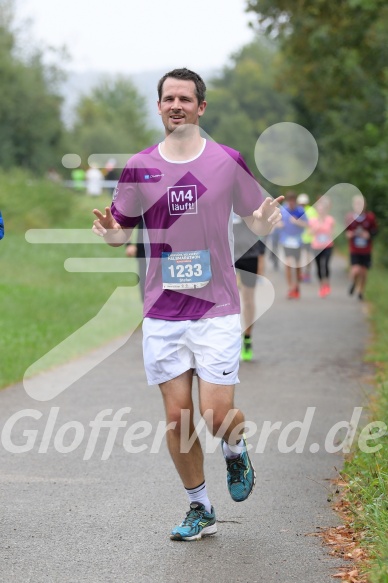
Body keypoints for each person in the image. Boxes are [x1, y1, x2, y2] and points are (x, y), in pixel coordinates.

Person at [92, 68, 283, 541]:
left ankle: (235, 451)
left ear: (201, 107)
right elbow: (121, 231)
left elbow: (254, 218)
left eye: (185, 98)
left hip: (217, 307)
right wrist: (112, 233)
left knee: (217, 415)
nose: (176, 105)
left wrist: (264, 220)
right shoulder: (139, 166)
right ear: (158, 107)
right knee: (178, 418)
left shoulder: (226, 160)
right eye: (168, 98)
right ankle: (200, 507)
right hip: (162, 311)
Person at [233, 213, 264, 361]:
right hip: (227, 254)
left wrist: (262, 256)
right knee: (223, 299)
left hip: (249, 255)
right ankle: (226, 340)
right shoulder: (220, 195)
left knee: (248, 300)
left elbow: (261, 226)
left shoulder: (248, 198)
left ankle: (247, 338)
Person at [345, 194, 378, 301]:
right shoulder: (350, 217)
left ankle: (360, 291)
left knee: (363, 272)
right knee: (356, 270)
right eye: (357, 204)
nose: (359, 206)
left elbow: (375, 231)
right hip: (354, 249)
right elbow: (346, 232)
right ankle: (353, 283)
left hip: (366, 250)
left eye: (361, 204)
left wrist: (369, 234)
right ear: (353, 205)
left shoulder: (370, 217)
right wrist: (350, 234)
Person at [278, 191, 308, 299]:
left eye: (292, 201)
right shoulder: (283, 210)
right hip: (286, 241)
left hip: (298, 241)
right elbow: (277, 222)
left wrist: (297, 222)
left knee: (297, 265)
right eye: (289, 201)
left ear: (295, 201)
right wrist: (279, 224)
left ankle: (297, 286)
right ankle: (290, 287)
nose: (291, 204)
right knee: (288, 264)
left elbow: (306, 224)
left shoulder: (300, 211)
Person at [308, 196, 335, 298]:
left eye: (322, 210)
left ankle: (327, 284)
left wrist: (329, 233)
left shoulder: (330, 220)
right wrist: (317, 227)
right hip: (316, 246)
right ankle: (321, 286)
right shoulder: (313, 220)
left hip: (328, 246)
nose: (321, 211)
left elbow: (332, 232)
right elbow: (310, 233)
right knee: (319, 266)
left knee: (326, 265)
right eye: (319, 210)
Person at [296, 193, 317, 282]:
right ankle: (303, 274)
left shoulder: (310, 211)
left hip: (307, 238)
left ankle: (305, 274)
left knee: (306, 257)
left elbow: (313, 224)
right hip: (300, 238)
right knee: (303, 257)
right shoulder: (310, 210)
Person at [125, 217, 146, 302]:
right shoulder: (142, 203)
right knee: (145, 290)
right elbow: (127, 222)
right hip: (143, 252)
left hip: (168, 253)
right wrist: (128, 244)